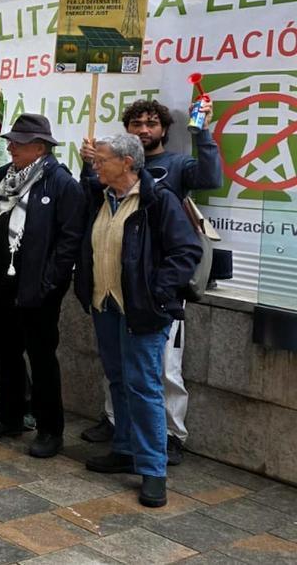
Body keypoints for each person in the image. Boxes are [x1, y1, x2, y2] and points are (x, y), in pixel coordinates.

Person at [80, 99, 220, 466]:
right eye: (137, 123)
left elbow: (209, 183)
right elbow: (88, 210)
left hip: (149, 299)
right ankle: (123, 440)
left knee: (158, 375)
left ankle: (163, 446)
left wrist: (203, 132)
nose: (144, 130)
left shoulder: (172, 174)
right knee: (119, 376)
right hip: (109, 298)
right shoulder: (104, 188)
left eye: (152, 124)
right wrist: (89, 164)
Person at [73, 133, 202, 508]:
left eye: (102, 160)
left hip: (142, 310)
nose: (96, 166)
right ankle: (125, 449)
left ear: (127, 162)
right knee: (118, 379)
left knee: (144, 386)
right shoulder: (101, 197)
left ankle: (153, 469)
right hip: (105, 304)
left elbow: (186, 251)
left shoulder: (158, 199)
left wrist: (157, 293)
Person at [0, 113, 83, 459]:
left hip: (37, 290)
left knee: (42, 359)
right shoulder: (1, 177)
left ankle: (50, 430)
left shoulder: (61, 184)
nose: (11, 148)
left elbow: (69, 240)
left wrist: (49, 282)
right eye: (10, 142)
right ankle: (10, 414)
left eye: (19, 143)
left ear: (40, 147)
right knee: (4, 352)